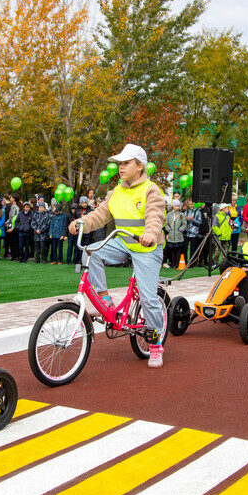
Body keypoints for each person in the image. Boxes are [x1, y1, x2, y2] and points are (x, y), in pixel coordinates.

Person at [69, 144, 167, 368]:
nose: (120, 168)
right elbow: (100, 215)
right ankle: (105, 300)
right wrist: (81, 223)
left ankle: (155, 344)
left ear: (140, 166)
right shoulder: (116, 191)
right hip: (123, 243)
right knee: (90, 253)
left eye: (126, 163)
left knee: (148, 298)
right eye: (119, 164)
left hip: (147, 248)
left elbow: (155, 217)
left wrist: (150, 234)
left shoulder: (151, 190)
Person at [164, 199, 185, 268]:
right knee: (172, 250)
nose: (177, 207)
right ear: (173, 206)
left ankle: (177, 264)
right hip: (171, 235)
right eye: (175, 206)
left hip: (178, 235)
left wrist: (180, 230)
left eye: (178, 206)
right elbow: (166, 224)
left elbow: (184, 224)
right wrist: (168, 230)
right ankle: (172, 263)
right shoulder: (169, 214)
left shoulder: (181, 215)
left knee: (178, 250)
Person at [183, 200, 201, 264]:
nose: (191, 206)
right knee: (185, 247)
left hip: (194, 233)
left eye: (192, 204)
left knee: (192, 249)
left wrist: (193, 220)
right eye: (190, 204)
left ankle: (192, 263)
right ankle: (185, 261)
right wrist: (185, 219)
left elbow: (199, 223)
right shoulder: (186, 211)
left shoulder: (198, 212)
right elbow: (183, 220)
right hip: (186, 232)